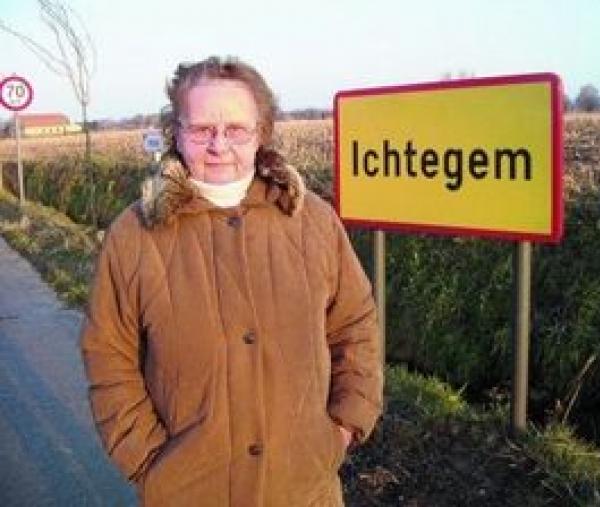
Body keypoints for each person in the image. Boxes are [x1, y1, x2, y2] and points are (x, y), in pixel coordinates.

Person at [79, 56, 383, 506]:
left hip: (305, 489)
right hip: (187, 493)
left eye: (236, 129)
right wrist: (148, 462)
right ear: (176, 133)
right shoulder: (135, 234)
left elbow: (354, 325)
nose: (219, 145)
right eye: (201, 129)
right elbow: (108, 354)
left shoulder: (313, 220)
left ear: (261, 133)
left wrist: (343, 425)